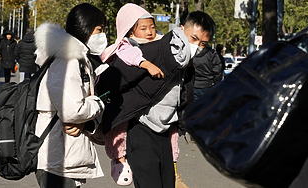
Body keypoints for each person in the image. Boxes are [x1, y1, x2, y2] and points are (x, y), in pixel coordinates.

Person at [98, 10, 213, 188]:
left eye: (203, 44)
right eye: (193, 38)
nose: (196, 46)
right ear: (182, 30)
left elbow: (183, 98)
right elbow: (116, 80)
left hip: (166, 130)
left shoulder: (187, 64)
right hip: (140, 126)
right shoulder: (153, 50)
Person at [34, 3, 109, 188]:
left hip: (63, 154)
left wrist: (85, 121)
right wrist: (98, 102)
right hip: (57, 155)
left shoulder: (75, 58)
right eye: (99, 30)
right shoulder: (68, 59)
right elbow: (73, 111)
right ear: (85, 27)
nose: (102, 35)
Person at [100, 3, 176, 186]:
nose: (150, 31)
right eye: (143, 28)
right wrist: (146, 64)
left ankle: (174, 156)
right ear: (130, 32)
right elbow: (131, 56)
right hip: (138, 122)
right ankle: (119, 158)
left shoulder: (161, 43)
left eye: (152, 27)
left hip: (163, 120)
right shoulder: (127, 47)